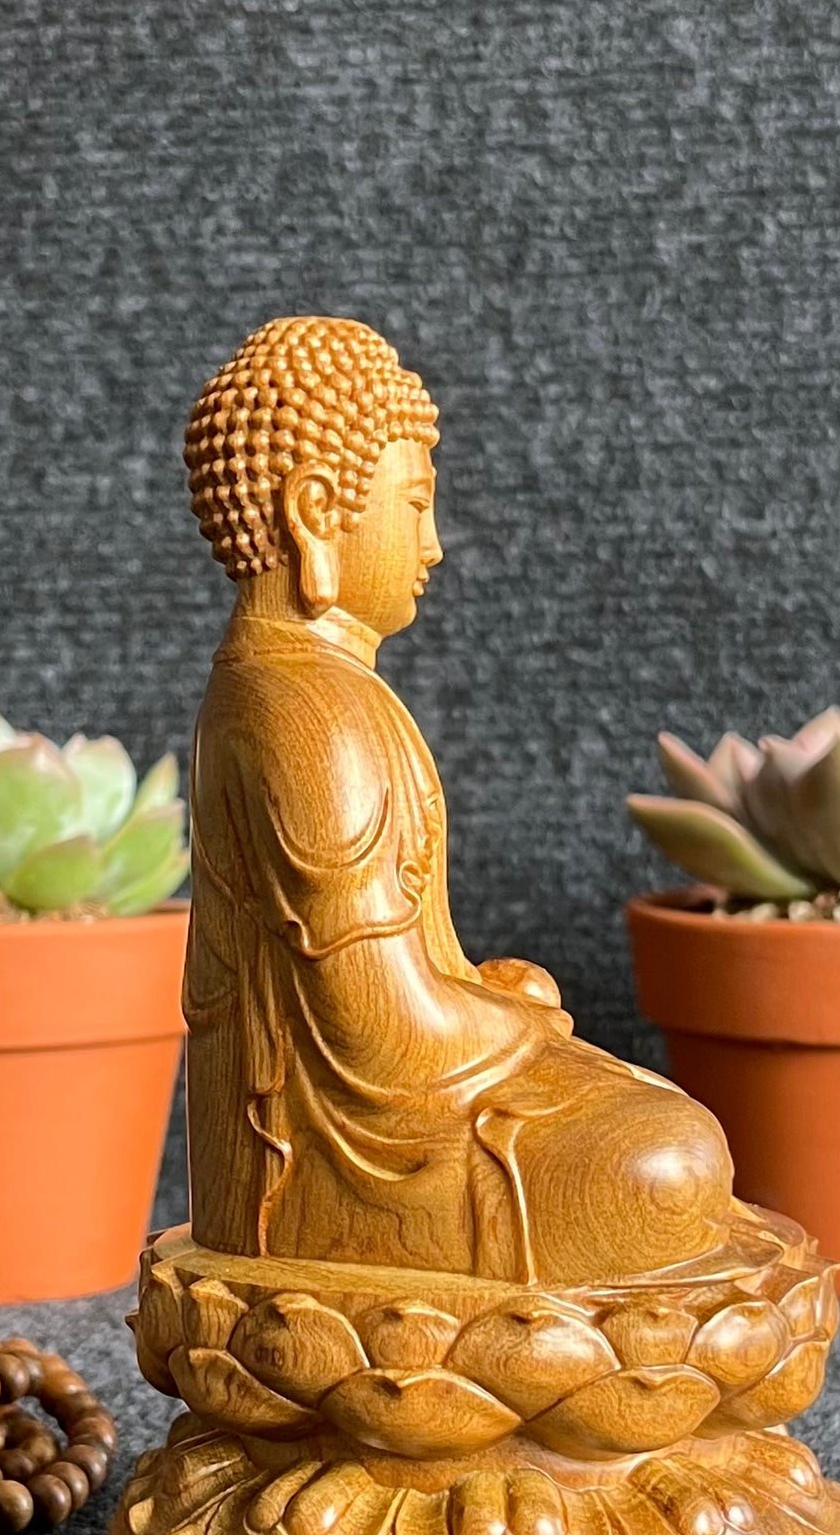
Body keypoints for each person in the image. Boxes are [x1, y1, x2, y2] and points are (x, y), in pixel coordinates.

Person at [180, 316, 737, 1285]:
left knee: (654, 1120)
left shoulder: (295, 687)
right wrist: (527, 1028)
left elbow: (400, 982)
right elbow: (379, 1035)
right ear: (316, 511)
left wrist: (483, 991)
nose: (432, 546)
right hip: (342, 1174)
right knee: (668, 1162)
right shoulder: (311, 716)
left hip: (378, 1124)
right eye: (414, 505)